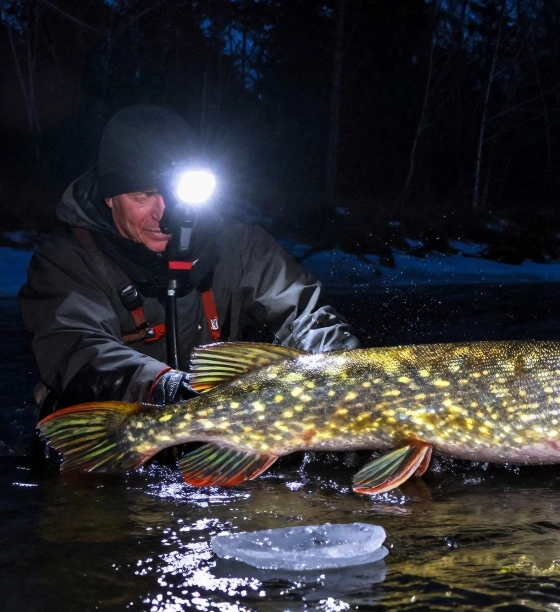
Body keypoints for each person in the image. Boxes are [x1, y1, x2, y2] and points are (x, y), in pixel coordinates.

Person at [19, 105, 358, 415]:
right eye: (142, 196)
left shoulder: (240, 246)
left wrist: (343, 372)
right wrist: (164, 387)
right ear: (109, 197)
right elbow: (78, 349)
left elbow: (306, 314)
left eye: (174, 195)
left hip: (212, 427)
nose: (162, 215)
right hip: (108, 430)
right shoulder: (65, 262)